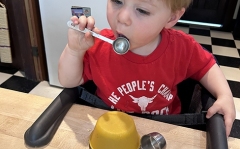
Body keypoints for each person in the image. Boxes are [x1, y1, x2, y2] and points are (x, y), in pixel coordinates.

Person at [58, 0, 236, 136]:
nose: (122, 17)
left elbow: (207, 66)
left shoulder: (181, 48)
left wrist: (225, 95)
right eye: (117, 1)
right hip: (110, 129)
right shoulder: (98, 45)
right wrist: (74, 50)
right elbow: (68, 81)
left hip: (164, 131)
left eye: (142, 10)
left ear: (172, 18)